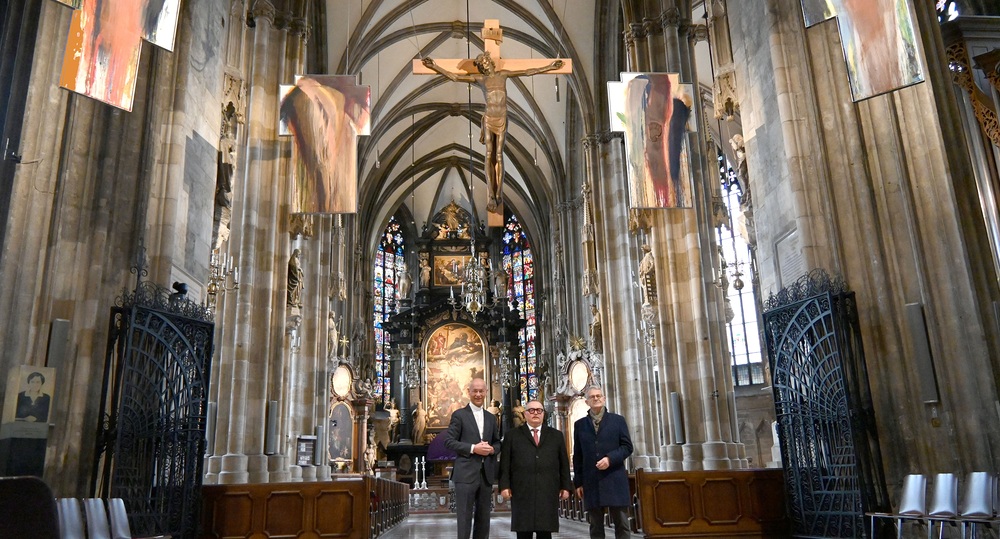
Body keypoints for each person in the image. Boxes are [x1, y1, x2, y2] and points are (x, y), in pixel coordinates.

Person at [422, 52, 564, 212]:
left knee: (499, 155)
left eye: (485, 61)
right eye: (481, 63)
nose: (484, 64)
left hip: (501, 117)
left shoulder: (503, 75)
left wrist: (549, 67)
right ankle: (491, 193)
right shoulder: (481, 79)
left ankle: (498, 193)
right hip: (489, 118)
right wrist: (435, 67)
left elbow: (527, 71)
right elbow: (455, 77)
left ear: (490, 61)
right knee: (489, 155)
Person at [499, 400, 572, 539]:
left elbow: (563, 463)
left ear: (543, 414)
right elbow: (505, 463)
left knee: (545, 532)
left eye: (539, 410)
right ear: (525, 414)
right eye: (531, 410)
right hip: (521, 490)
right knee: (523, 532)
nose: (535, 413)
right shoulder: (512, 435)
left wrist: (565, 486)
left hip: (547, 490)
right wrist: (504, 486)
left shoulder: (556, 435)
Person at [443, 378, 501, 539]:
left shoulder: (491, 418)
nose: (478, 394)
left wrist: (492, 450)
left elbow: (497, 442)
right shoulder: (459, 415)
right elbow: (449, 441)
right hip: (465, 474)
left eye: (481, 391)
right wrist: (473, 448)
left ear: (486, 392)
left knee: (484, 521)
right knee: (464, 519)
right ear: (468, 392)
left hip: (486, 475)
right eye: (475, 391)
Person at [573, 386, 634, 539]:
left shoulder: (617, 421)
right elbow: (578, 456)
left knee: (622, 524)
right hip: (592, 480)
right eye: (592, 396)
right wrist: (578, 483)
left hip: (614, 478)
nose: (596, 398)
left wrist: (610, 459)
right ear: (587, 402)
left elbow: (627, 447)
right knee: (595, 527)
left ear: (604, 398)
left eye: (599, 396)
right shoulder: (580, 425)